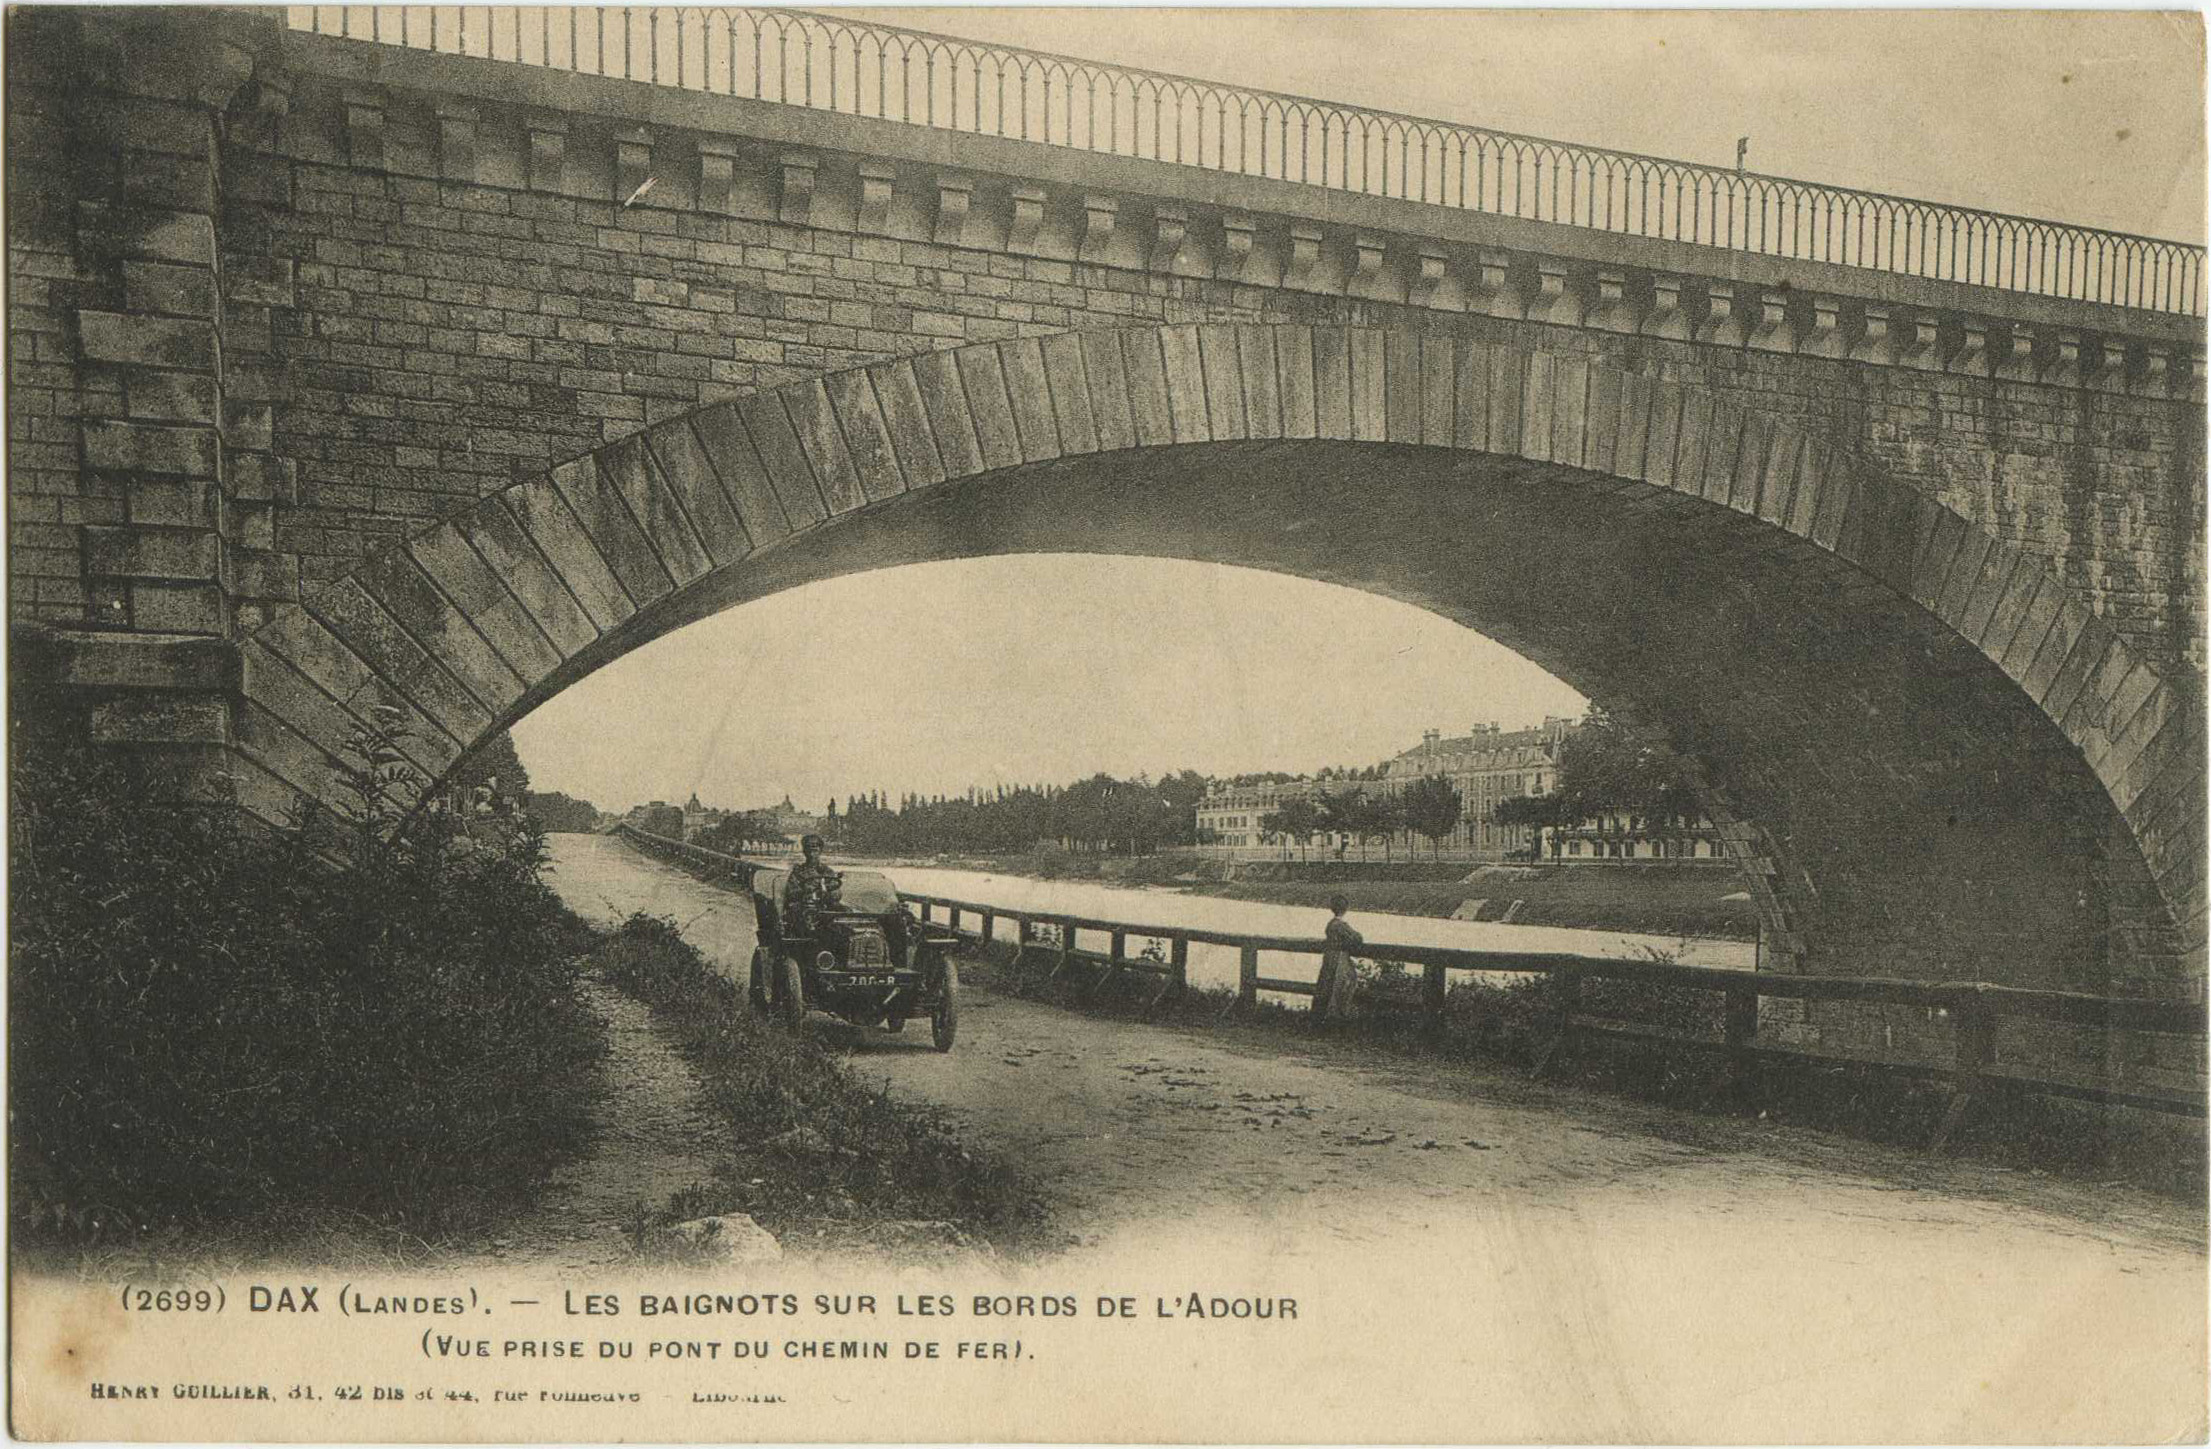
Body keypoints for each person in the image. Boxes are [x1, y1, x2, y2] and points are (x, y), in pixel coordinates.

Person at [1312, 894, 1363, 1027]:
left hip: (1329, 957)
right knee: (1340, 985)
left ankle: (1322, 1019)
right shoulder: (1340, 925)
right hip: (1339, 958)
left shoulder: (1331, 924)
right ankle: (1335, 1019)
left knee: (1327, 985)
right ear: (1345, 909)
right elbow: (1357, 938)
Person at [785, 833, 842, 920]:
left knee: (845, 911)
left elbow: (836, 893)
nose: (812, 851)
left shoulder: (828, 871)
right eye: (809, 847)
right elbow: (791, 893)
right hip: (804, 905)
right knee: (806, 916)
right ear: (804, 851)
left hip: (825, 905)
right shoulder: (798, 872)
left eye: (815, 847)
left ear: (820, 850)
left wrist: (831, 892)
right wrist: (807, 891)